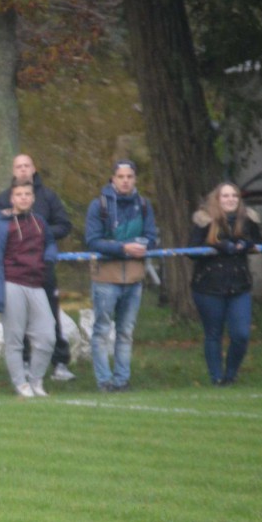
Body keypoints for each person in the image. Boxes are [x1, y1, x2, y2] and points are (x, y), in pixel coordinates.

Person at [0, 154, 75, 381]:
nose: (23, 169)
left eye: (27, 165)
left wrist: (39, 241)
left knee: (50, 324)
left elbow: (61, 227)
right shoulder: (2, 204)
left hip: (42, 275)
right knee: (17, 329)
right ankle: (23, 371)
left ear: (34, 169)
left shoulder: (46, 202)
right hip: (14, 278)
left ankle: (58, 364)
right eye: (19, 166)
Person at [84, 160, 158, 392]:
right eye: (121, 176)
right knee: (102, 331)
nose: (125, 180)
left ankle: (122, 380)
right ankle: (104, 380)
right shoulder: (99, 206)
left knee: (126, 332)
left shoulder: (144, 205)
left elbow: (151, 236)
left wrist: (142, 245)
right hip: (106, 279)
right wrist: (124, 248)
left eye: (129, 176)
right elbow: (93, 240)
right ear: (112, 179)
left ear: (134, 179)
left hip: (134, 279)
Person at [0, 179, 59, 398]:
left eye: (27, 194)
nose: (24, 198)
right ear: (12, 198)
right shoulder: (1, 227)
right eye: (19, 194)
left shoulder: (40, 222)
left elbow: (50, 242)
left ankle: (36, 380)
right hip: (12, 284)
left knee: (48, 336)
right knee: (15, 339)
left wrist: (50, 255)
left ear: (33, 197)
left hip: (36, 285)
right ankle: (21, 384)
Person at [187, 181, 262, 386]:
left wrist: (246, 244)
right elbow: (191, 251)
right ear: (217, 199)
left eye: (234, 196)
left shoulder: (248, 219)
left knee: (241, 334)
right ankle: (216, 378)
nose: (230, 200)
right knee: (213, 334)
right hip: (208, 286)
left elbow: (259, 242)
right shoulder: (204, 220)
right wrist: (219, 246)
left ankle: (230, 374)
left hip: (239, 285)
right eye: (226, 196)